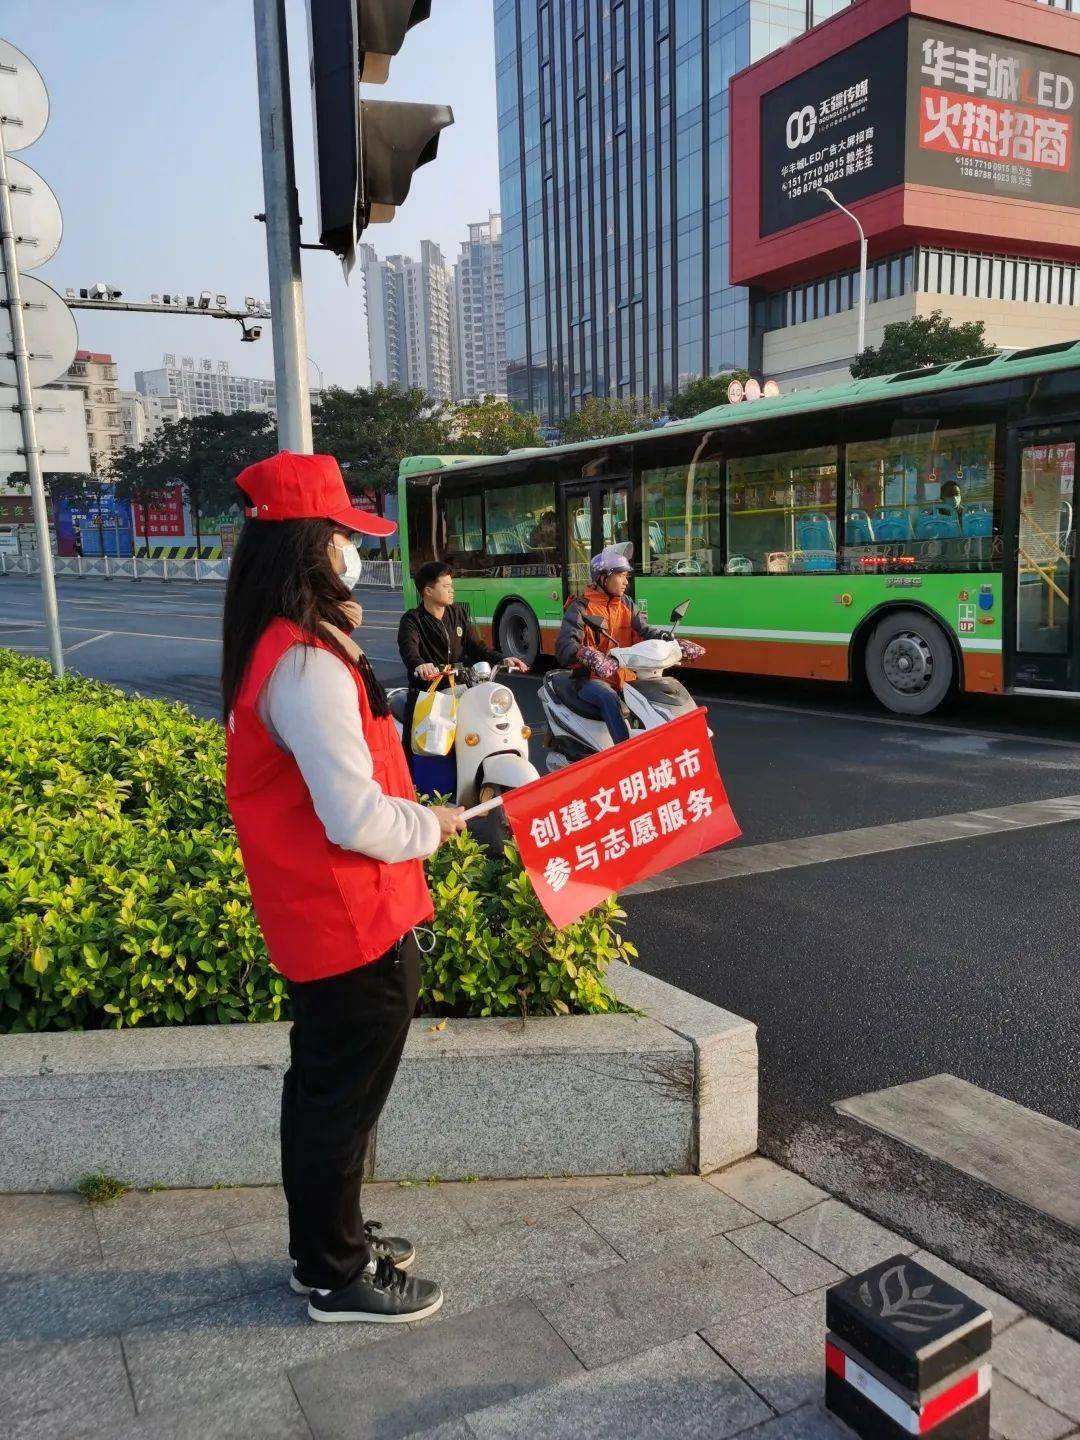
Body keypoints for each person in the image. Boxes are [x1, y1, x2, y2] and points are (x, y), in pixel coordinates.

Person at [222, 450, 465, 1325]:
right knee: (338, 1098)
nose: (352, 552)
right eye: (339, 536)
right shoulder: (304, 666)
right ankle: (334, 1272)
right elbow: (353, 816)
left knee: (330, 1091)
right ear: (307, 549)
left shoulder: (288, 646)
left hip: (335, 916)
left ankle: (333, 1239)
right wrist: (429, 828)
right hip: (348, 921)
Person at [397, 560, 527, 791]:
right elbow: (410, 651)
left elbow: (476, 647)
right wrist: (421, 665)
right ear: (428, 591)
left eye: (451, 585)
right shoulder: (412, 620)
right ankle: (410, 790)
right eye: (446, 586)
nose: (452, 590)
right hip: (429, 692)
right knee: (414, 747)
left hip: (459, 689)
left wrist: (501, 659)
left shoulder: (457, 613)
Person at [555, 543, 665, 744]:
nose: (626, 582)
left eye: (627, 577)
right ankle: (625, 753)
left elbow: (644, 630)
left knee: (656, 694)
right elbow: (564, 648)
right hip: (590, 680)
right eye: (621, 576)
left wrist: (666, 639)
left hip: (625, 677)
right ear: (603, 578)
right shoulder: (580, 609)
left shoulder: (627, 604)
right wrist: (585, 654)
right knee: (608, 698)